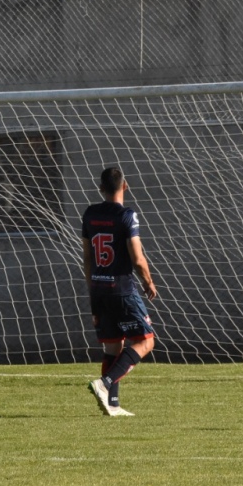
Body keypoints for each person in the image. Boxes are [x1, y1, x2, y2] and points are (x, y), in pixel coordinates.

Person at [82, 167, 158, 417]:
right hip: (122, 290)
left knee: (113, 347)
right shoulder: (127, 215)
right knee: (146, 341)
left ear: (100, 188)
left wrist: (93, 298)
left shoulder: (90, 214)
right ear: (125, 186)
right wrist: (148, 281)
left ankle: (112, 404)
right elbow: (137, 258)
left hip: (99, 289)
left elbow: (88, 260)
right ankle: (104, 384)